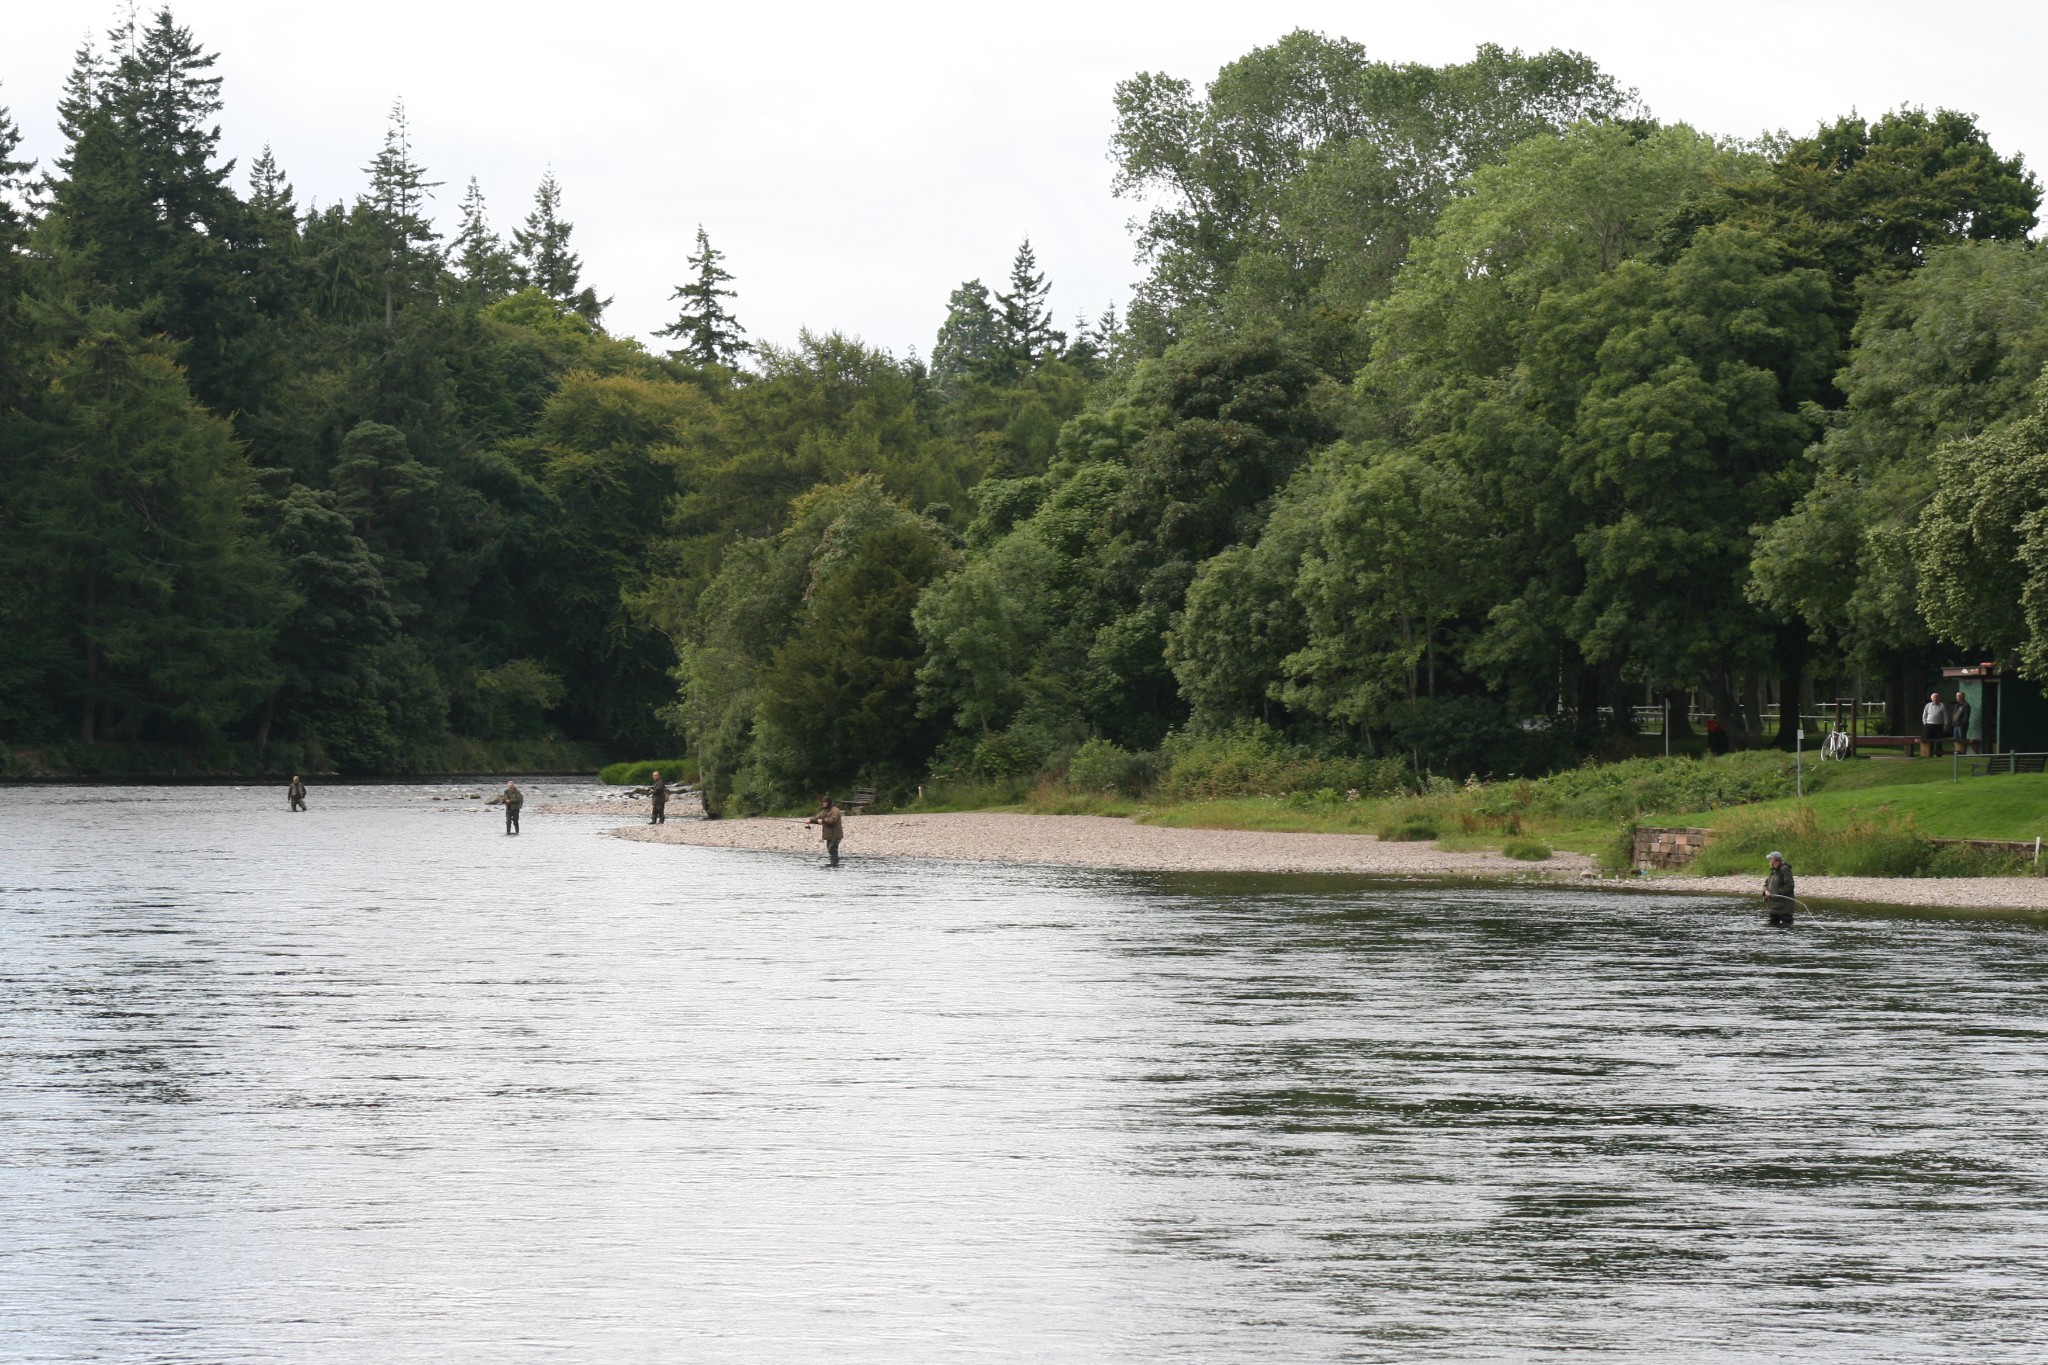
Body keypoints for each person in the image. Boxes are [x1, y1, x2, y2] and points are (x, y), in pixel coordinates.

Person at [805, 794, 844, 867]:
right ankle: (834, 864)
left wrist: (823, 820)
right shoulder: (825, 810)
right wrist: (810, 820)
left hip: (835, 835)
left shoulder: (835, 810)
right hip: (829, 835)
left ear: (829, 803)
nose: (824, 804)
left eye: (825, 803)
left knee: (832, 849)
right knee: (830, 849)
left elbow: (832, 821)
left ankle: (834, 864)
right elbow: (817, 818)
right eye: (823, 803)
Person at [1763, 851, 1795, 926]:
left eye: (1770, 858)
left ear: (1774, 859)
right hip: (1773, 906)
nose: (1769, 860)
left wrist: (1776, 893)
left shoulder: (1784, 869)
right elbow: (1766, 885)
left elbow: (1790, 885)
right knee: (1772, 929)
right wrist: (1765, 892)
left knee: (1786, 928)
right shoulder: (1773, 871)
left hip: (1785, 907)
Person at [1921, 691, 1948, 757]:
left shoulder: (1942, 705)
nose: (1935, 699)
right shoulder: (1928, 705)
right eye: (1934, 698)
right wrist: (1925, 723)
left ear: (1939, 698)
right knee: (1929, 740)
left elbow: (1945, 715)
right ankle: (1929, 753)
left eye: (1936, 697)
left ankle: (1939, 754)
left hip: (1938, 725)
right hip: (1929, 725)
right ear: (1931, 698)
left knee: (1939, 740)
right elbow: (1924, 715)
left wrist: (1946, 724)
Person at [1952, 691, 1973, 756]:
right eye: (1957, 696)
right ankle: (1957, 752)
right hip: (1955, 725)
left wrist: (1962, 724)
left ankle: (1963, 752)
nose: (1958, 697)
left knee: (1962, 739)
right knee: (1956, 739)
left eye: (1959, 696)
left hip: (1961, 725)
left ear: (1963, 697)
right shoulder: (1957, 704)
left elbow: (1966, 716)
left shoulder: (1966, 705)